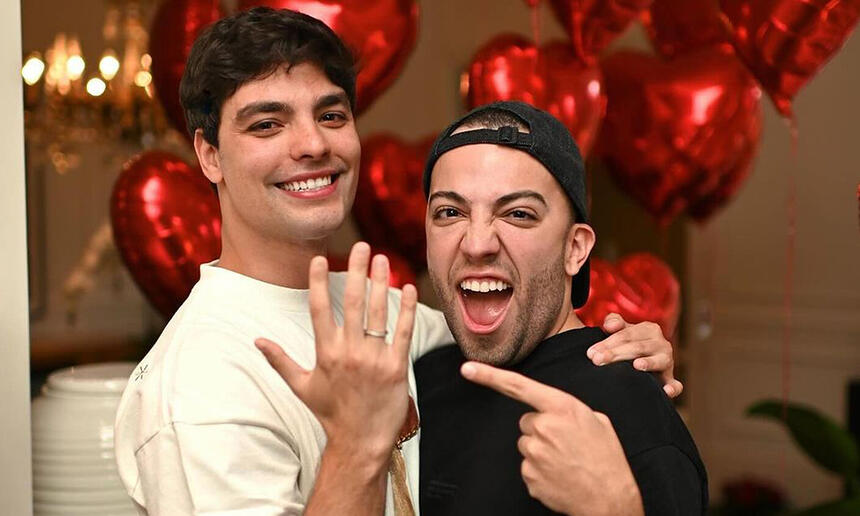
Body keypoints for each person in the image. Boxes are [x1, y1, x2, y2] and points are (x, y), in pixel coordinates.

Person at [114, 7, 683, 515]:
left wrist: (619, 352)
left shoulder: (385, 315)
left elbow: (512, 328)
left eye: (332, 115)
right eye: (267, 123)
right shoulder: (201, 390)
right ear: (209, 154)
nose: (312, 144)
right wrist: (359, 443)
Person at [415, 101, 708, 516]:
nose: (477, 242)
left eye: (518, 214)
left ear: (575, 249)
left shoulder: (626, 406)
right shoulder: (418, 380)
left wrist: (612, 508)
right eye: (450, 212)